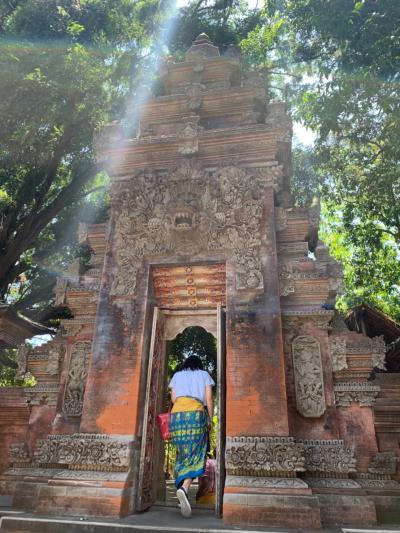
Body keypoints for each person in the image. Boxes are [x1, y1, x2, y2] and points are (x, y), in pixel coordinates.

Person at [168, 355, 214, 518]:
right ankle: (184, 488)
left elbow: (173, 399)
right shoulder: (204, 375)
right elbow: (208, 398)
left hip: (177, 417)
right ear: (199, 364)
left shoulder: (177, 376)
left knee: (182, 454)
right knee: (197, 454)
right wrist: (210, 418)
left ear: (185, 364)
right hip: (196, 415)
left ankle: (182, 497)